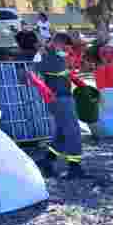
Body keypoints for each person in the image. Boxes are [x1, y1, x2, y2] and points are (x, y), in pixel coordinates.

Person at [36, 32, 87, 179]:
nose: (67, 50)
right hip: (60, 98)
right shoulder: (51, 57)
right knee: (73, 132)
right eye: (66, 47)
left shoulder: (53, 56)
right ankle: (74, 167)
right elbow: (61, 69)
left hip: (60, 98)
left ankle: (47, 160)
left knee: (62, 133)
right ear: (59, 43)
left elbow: (68, 72)